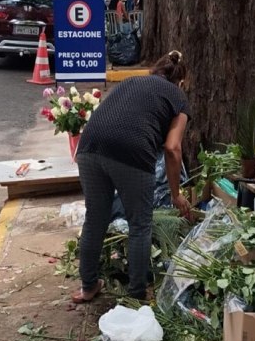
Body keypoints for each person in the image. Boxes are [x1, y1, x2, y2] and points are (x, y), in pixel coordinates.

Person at [71, 51, 191, 303]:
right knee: (140, 224)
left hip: (89, 147)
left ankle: (88, 286)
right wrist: (176, 193)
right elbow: (172, 148)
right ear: (181, 81)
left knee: (95, 220)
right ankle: (136, 295)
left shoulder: (130, 81)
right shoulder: (178, 97)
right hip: (132, 153)